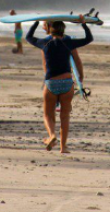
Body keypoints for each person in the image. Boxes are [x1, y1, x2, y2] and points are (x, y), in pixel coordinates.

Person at [26, 16, 92, 153]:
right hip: (67, 83)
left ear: (50, 28)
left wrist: (35, 22)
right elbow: (88, 39)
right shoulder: (68, 42)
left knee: (48, 115)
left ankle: (52, 135)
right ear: (63, 29)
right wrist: (84, 24)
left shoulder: (44, 42)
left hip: (51, 83)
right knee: (65, 116)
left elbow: (28, 37)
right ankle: (63, 147)